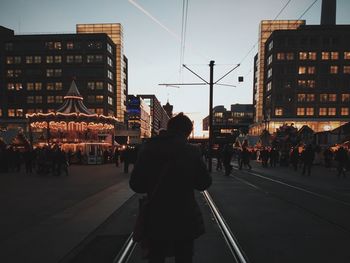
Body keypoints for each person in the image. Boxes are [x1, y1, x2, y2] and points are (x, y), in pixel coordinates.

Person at [130, 113, 212, 263]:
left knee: (156, 256)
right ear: (187, 132)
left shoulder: (148, 148)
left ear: (169, 128)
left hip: (156, 217)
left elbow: (136, 184)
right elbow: (204, 183)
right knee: (184, 256)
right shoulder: (192, 152)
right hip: (184, 217)